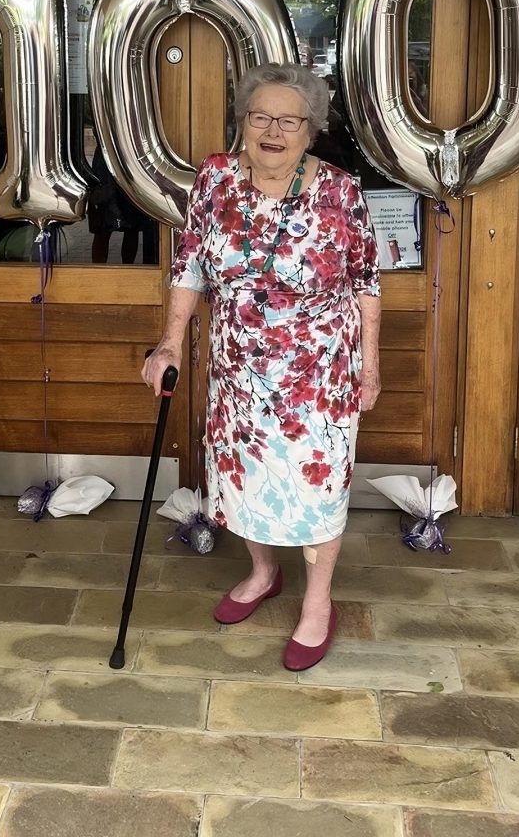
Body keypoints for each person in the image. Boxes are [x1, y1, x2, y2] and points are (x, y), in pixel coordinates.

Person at [142, 62, 381, 671]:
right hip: (239, 371)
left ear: (310, 130)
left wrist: (370, 368)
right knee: (243, 480)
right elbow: (190, 266)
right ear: (243, 122)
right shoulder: (214, 180)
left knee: (316, 489)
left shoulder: (341, 192)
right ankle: (263, 571)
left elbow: (365, 285)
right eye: (261, 117)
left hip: (319, 374)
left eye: (289, 120)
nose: (273, 130)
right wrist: (170, 343)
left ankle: (318, 602)